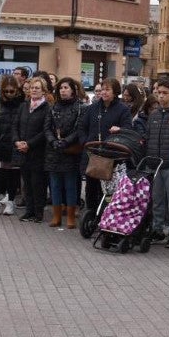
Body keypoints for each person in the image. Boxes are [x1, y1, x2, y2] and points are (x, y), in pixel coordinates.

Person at [77, 78, 135, 220]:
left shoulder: (123, 109)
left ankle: (107, 217)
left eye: (107, 89)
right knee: (91, 188)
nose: (103, 92)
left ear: (115, 92)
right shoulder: (93, 108)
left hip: (111, 157)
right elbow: (82, 127)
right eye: (102, 89)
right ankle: (91, 216)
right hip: (93, 155)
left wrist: (119, 129)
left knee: (108, 190)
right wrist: (85, 142)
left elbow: (128, 129)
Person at [143, 78, 169, 247]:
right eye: (158, 93)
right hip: (154, 165)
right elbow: (148, 138)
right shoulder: (153, 115)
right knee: (157, 200)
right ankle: (157, 230)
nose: (160, 96)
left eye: (164, 93)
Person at [45, 77, 86, 230]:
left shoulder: (80, 107)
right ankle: (56, 216)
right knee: (54, 185)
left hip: (70, 152)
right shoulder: (53, 107)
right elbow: (47, 128)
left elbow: (79, 129)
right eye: (61, 88)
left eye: (66, 88)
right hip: (54, 151)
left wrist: (66, 141)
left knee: (70, 185)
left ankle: (70, 216)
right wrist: (53, 141)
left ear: (73, 90)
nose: (63, 91)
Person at [13, 76, 50, 222]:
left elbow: (45, 131)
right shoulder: (24, 106)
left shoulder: (47, 108)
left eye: (37, 88)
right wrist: (17, 142)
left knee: (37, 184)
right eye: (32, 88)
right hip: (22, 151)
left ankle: (38, 213)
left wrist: (29, 144)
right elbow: (15, 125)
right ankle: (29, 211)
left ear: (43, 91)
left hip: (37, 152)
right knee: (26, 184)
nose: (34, 90)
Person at [0, 75, 23, 216]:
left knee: (13, 175)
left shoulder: (22, 104)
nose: (9, 94)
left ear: (16, 90)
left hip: (14, 144)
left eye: (11, 91)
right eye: (6, 91)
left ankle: (10, 202)